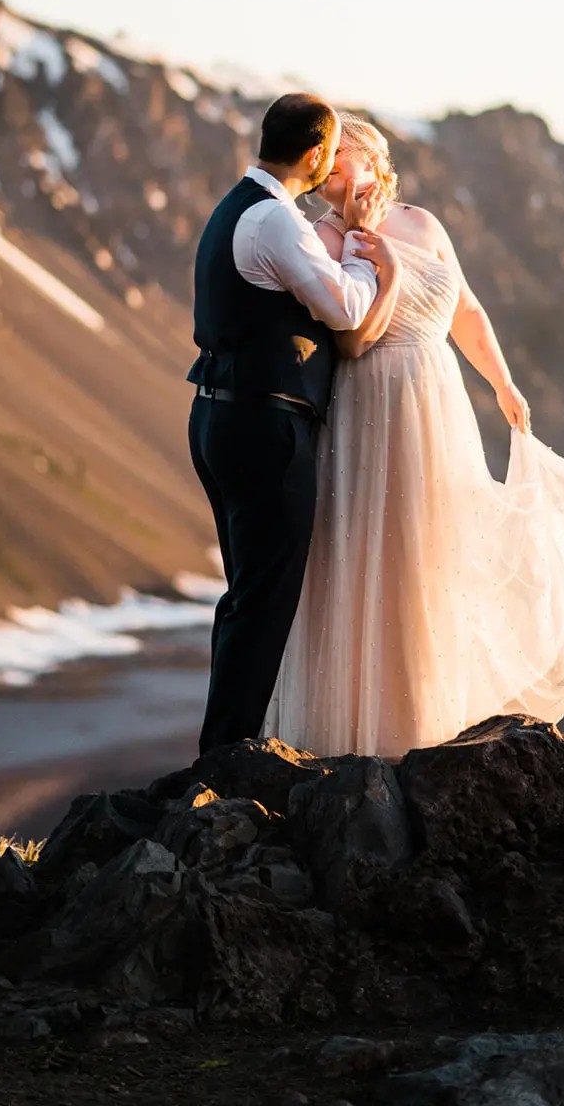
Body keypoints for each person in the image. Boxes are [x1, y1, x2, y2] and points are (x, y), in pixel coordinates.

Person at [262, 113, 564, 758]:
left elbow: (466, 309)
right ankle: (360, 733)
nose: (332, 166)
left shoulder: (424, 225)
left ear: (373, 159)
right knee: (371, 553)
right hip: (369, 403)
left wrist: (503, 384)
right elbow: (350, 333)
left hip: (436, 399)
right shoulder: (321, 236)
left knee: (434, 553)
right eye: (326, 159)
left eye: (344, 154)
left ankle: (429, 719)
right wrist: (361, 238)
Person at [187, 93, 386, 753]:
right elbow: (347, 309)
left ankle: (219, 752)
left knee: (246, 597)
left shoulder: (237, 206)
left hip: (219, 417)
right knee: (264, 602)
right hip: (260, 428)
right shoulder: (276, 221)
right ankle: (228, 762)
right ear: (314, 155)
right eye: (330, 154)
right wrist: (360, 246)